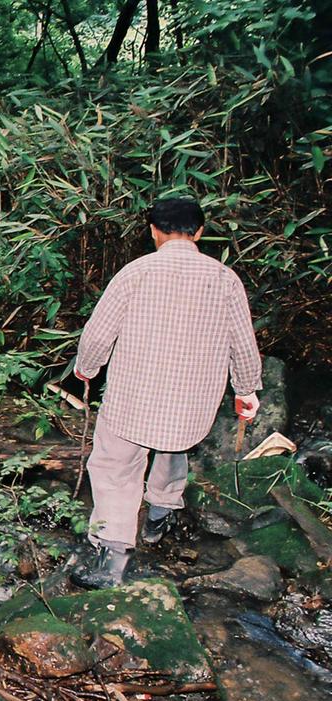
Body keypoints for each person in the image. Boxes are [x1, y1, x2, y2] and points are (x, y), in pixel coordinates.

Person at [71, 197, 262, 589]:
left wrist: (86, 368)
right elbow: (243, 346)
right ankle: (160, 514)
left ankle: (113, 556)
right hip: (192, 405)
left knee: (114, 467)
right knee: (174, 444)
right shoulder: (225, 280)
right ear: (199, 232)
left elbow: (98, 334)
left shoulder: (136, 272)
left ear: (153, 231)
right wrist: (246, 391)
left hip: (132, 398)